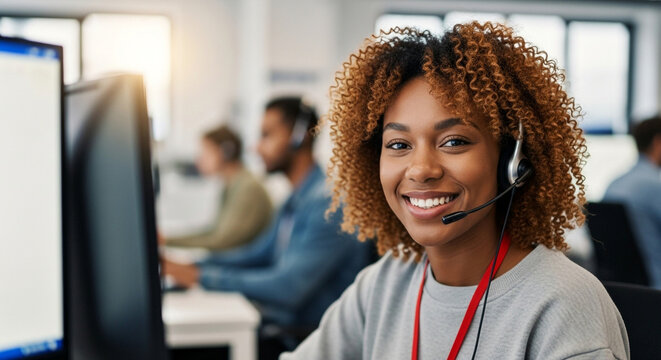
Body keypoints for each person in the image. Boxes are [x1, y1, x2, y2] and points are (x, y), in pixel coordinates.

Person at [281, 23, 628, 359]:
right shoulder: (387, 282)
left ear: (512, 161)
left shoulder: (562, 305)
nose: (421, 169)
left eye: (454, 141)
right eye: (399, 144)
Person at [164, 97, 372, 332]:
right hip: (282, 325)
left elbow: (288, 288)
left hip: (305, 337)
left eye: (266, 136)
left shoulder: (329, 207)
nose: (256, 147)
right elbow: (258, 255)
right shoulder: (294, 200)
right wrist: (195, 266)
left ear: (298, 137)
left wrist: (201, 277)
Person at [164, 125, 273, 251]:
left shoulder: (248, 189)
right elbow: (214, 232)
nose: (199, 159)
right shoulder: (232, 185)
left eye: (205, 152)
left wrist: (168, 242)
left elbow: (222, 242)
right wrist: (166, 240)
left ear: (226, 152)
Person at [604, 116, 661, 289]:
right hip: (654, 286)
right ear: (658, 142)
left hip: (622, 291)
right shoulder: (654, 185)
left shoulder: (615, 183)